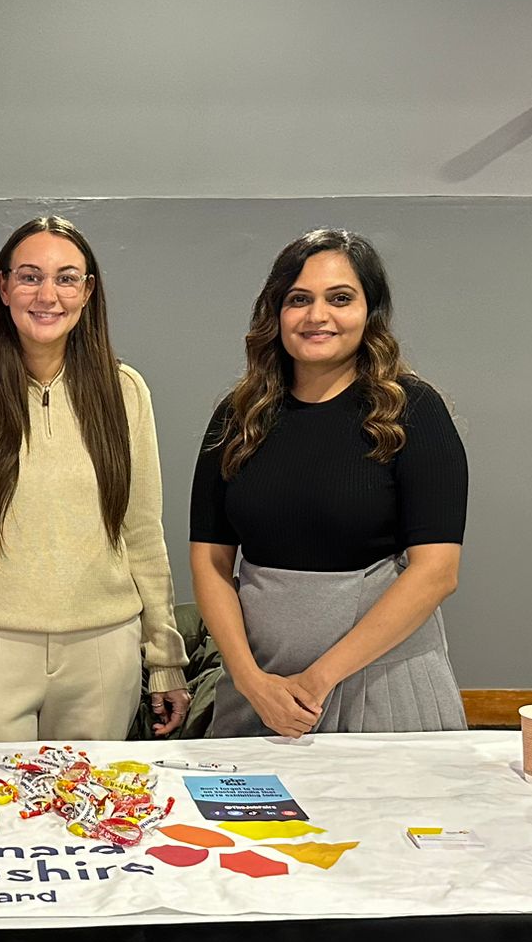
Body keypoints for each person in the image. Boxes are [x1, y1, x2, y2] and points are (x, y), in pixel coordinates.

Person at [0, 216, 190, 742]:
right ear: (3, 287)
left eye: (66, 278)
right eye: (30, 277)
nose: (47, 295)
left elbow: (143, 533)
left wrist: (165, 657)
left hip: (103, 654)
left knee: (91, 818)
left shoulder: (125, 393)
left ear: (87, 291)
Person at [189, 228, 468, 737]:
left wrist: (317, 681)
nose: (317, 316)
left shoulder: (415, 411)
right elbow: (210, 561)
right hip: (260, 681)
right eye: (299, 300)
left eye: (340, 298)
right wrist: (253, 682)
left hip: (381, 680)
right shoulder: (238, 416)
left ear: (370, 311)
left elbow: (437, 572)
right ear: (276, 312)